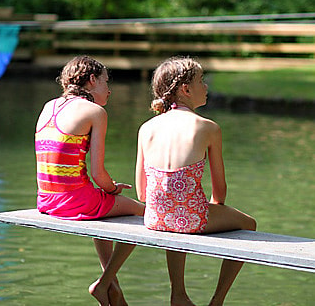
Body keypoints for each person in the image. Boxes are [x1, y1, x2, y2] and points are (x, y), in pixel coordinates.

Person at [135, 56, 256, 306]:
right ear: (186, 89)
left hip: (154, 218)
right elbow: (220, 193)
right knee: (249, 224)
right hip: (191, 218)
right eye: (202, 81)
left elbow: (142, 193)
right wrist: (212, 207)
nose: (207, 86)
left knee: (175, 213)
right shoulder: (208, 127)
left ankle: (178, 292)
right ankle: (217, 301)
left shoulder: (147, 127)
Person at [35, 55, 145, 306]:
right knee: (147, 215)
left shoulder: (48, 106)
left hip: (45, 200)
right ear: (92, 80)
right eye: (106, 82)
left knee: (104, 207)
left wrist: (106, 192)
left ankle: (114, 290)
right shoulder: (95, 111)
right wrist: (114, 188)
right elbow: (98, 175)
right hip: (73, 201)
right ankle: (105, 282)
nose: (109, 89)